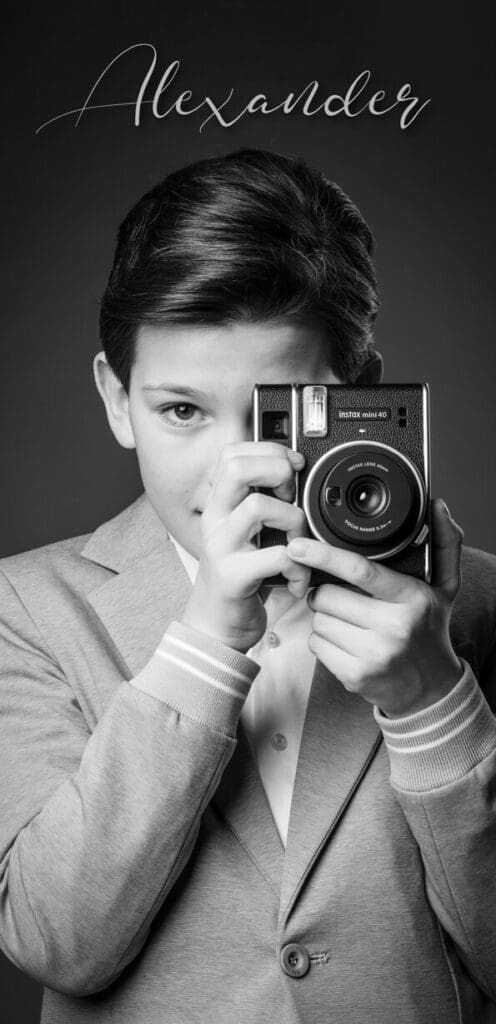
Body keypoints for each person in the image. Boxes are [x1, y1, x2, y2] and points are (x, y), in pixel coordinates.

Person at [0, 149, 495, 1024]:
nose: (240, 468)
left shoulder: (480, 606)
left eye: (280, 410)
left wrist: (433, 704)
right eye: (182, 410)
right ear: (117, 400)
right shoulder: (28, 609)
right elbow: (55, 942)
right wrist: (202, 642)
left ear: (360, 396)